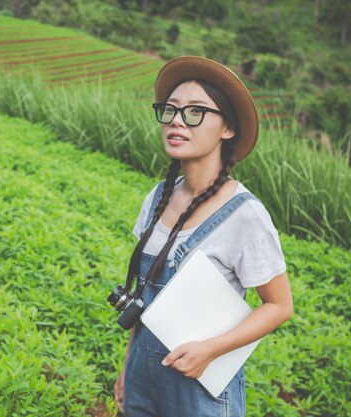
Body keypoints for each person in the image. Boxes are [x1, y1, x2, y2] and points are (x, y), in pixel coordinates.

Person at [112, 56, 294, 416]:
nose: (177, 121)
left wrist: (210, 349)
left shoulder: (245, 214)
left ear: (228, 128)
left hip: (201, 389)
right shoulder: (156, 198)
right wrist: (127, 368)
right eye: (171, 110)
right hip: (140, 381)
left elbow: (279, 306)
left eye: (195, 112)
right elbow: (145, 299)